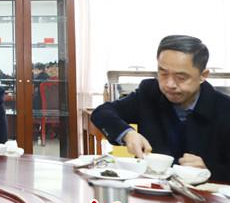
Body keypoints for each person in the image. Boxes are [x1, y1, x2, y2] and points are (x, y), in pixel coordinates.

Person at [91, 35, 230, 181]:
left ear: (203, 75)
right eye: (163, 73)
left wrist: (209, 171)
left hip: (204, 194)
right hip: (149, 189)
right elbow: (102, 113)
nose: (169, 84)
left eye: (181, 77)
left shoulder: (224, 109)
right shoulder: (149, 93)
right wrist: (127, 134)